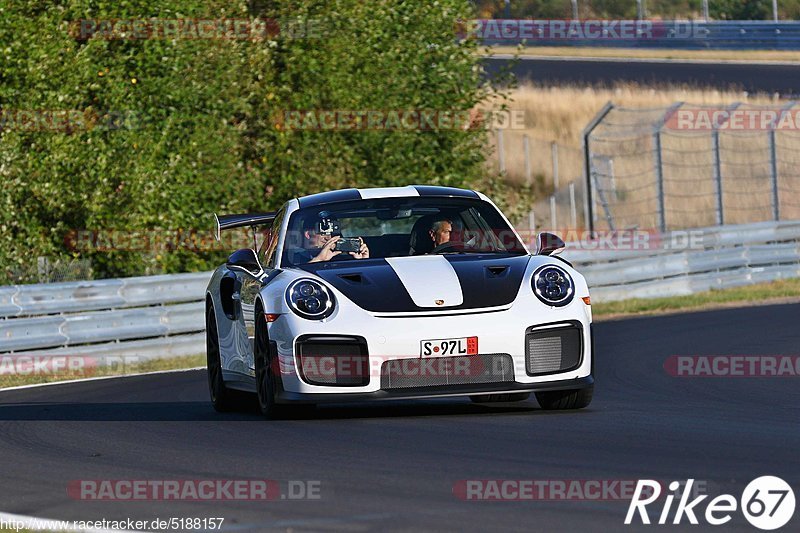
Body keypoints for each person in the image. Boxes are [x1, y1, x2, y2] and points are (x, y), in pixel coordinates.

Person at [299, 216, 369, 263]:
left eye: (332, 233)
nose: (328, 238)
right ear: (308, 234)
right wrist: (318, 259)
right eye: (323, 233)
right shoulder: (294, 259)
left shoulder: (342, 259)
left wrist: (363, 262)